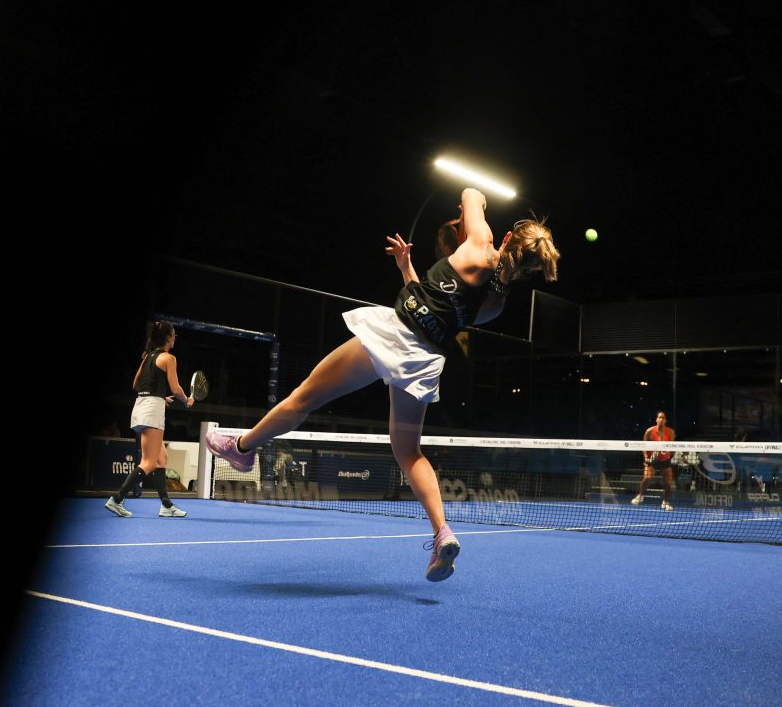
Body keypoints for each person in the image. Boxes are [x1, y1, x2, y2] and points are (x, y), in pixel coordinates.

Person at [203, 187, 560, 581]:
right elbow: (432, 307)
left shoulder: (480, 241)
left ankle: (242, 448)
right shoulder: (495, 305)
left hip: (393, 337)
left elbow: (472, 192)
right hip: (422, 361)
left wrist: (466, 213)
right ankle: (442, 531)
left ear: (506, 237)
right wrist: (406, 267)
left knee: (303, 396)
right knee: (408, 452)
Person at [106, 321, 194, 518]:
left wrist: (159, 396)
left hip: (141, 406)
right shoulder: (169, 358)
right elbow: (175, 388)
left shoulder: (147, 357)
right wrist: (187, 400)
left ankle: (166, 505)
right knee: (149, 462)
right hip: (152, 411)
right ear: (169, 338)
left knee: (161, 458)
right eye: (174, 334)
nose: (175, 337)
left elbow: (136, 384)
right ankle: (117, 499)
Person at [633, 411, 676, 511]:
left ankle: (665, 502)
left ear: (665, 420)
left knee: (668, 484)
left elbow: (672, 447)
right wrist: (646, 458)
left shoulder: (670, 432)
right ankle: (640, 496)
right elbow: (643, 446)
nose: (661, 419)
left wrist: (667, 452)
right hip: (652, 460)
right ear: (656, 419)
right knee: (647, 478)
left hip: (665, 460)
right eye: (659, 417)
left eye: (663, 418)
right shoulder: (649, 431)